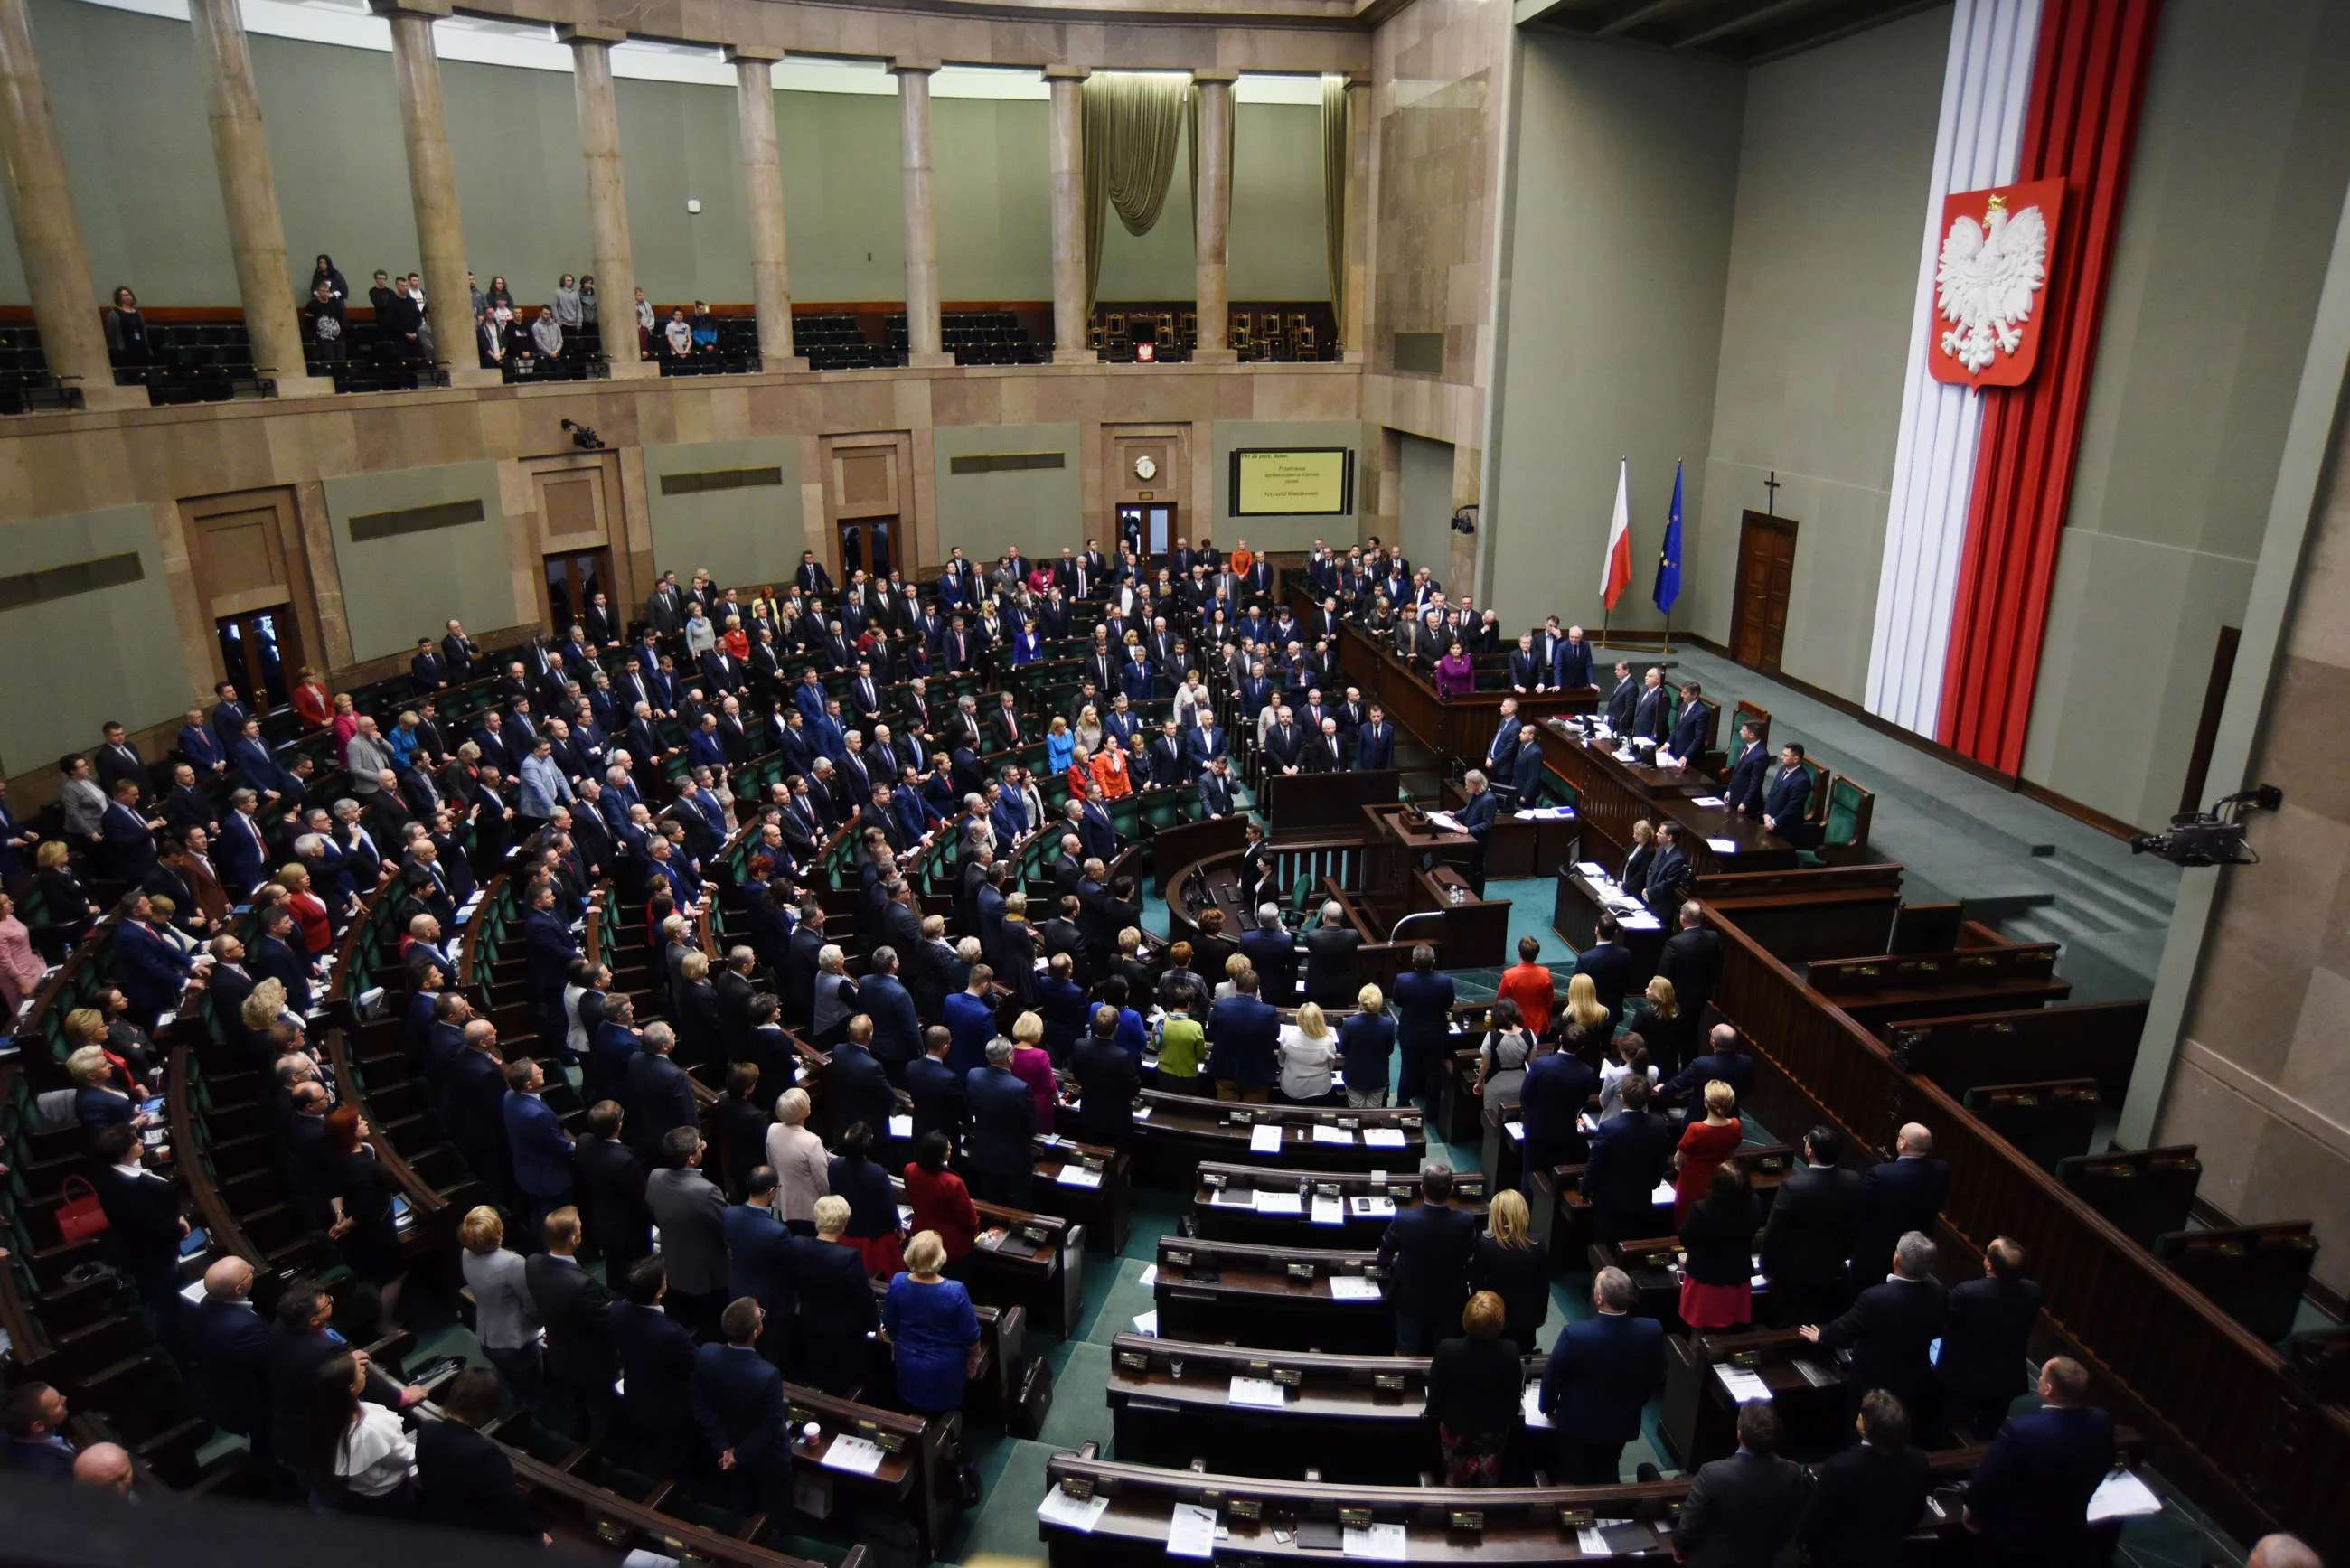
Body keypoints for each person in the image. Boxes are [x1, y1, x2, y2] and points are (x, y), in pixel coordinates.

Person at [1961, 1357, 2115, 1568]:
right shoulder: (2102, 1420)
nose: (2039, 1380)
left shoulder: (2022, 1431)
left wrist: (1972, 1511)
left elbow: (1988, 1480)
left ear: (2048, 1389)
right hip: (2069, 1526)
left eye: (2041, 1376)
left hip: (2015, 1534)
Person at [1800, 1231, 1949, 1429]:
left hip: (1872, 1382)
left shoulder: (1875, 1298)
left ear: (1896, 1258)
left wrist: (1822, 1334)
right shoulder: (1939, 1295)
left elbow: (1846, 1328)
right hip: (1914, 1379)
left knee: (1864, 1428)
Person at [1537, 1267, 1663, 1484]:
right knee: (1608, 1465)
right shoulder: (1651, 1330)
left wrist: (1547, 1408)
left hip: (1577, 1424)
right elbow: (1654, 1376)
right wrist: (1636, 1403)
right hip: (1622, 1421)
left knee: (1574, 1473)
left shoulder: (1575, 1334)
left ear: (1599, 1298)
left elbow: (1552, 1378)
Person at [1670, 1400, 1815, 1568]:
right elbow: (1791, 1524)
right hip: (1762, 1559)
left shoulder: (1712, 1474)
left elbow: (1688, 1530)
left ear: (1739, 1435)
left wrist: (1680, 1547)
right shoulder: (1792, 1472)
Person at [1800, 1389, 1933, 1568]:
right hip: (1890, 1552)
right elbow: (1916, 1513)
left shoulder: (1839, 1467)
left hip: (1840, 1557)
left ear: (1863, 1425)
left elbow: (1816, 1519)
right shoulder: (1918, 1460)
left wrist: (1803, 1544)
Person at [414, 1368, 548, 1542]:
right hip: (474, 1530)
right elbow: (510, 1502)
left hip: (436, 1515)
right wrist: (536, 1534)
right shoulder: (486, 1453)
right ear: (487, 1408)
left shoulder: (427, 1428)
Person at [692, 1298, 794, 1520]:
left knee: (741, 1501)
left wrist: (724, 1448)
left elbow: (701, 1405)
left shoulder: (706, 1353)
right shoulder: (767, 1375)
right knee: (776, 1509)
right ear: (756, 1331)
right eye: (760, 1316)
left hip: (725, 1445)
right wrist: (739, 1455)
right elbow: (770, 1425)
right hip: (765, 1457)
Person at [1936, 1235, 2041, 1440]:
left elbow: (1943, 1323)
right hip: (2005, 1379)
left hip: (1963, 1378)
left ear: (1989, 1265)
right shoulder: (2032, 1292)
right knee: (1988, 1434)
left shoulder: (1968, 1293)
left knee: (1948, 1428)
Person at [526, 1207, 616, 1441]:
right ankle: (600, 1460)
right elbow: (605, 1322)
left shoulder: (533, 1263)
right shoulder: (580, 1285)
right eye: (579, 1227)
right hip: (590, 1361)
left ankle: (576, 1444)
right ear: (574, 1239)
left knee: (573, 1406)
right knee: (600, 1413)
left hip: (558, 1351)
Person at [1759, 1125, 1861, 1329]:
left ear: (1809, 1150)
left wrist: (1766, 1265)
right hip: (1832, 1268)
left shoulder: (1793, 1186)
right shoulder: (1853, 1180)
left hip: (1792, 1274)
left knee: (1789, 1321)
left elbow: (1775, 1232)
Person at [608, 1258, 700, 1471]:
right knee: (670, 1457)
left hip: (634, 1393)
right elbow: (695, 1363)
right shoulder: (671, 1333)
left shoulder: (617, 1312)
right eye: (665, 1279)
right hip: (668, 1408)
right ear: (659, 1292)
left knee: (645, 1447)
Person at [1377, 1161, 1478, 1354]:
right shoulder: (1465, 1221)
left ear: (1422, 1189)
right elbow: (1470, 1251)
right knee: (1445, 1351)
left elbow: (1384, 1256)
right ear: (1451, 1189)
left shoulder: (1404, 1219)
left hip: (1410, 1299)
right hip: (1449, 1300)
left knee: (1406, 1350)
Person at [1425, 1291, 1523, 1486]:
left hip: (1455, 1428)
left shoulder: (1447, 1349)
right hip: (1493, 1430)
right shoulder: (1510, 1351)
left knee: (1454, 1476)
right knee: (1488, 1478)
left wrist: (1431, 1412)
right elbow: (1513, 1399)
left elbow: (1435, 1393)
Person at [785, 1196, 879, 1394]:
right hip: (843, 1333)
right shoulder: (848, 1258)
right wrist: (874, 1326)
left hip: (808, 1321)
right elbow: (864, 1297)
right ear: (843, 1224)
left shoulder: (796, 1244)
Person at [306, 1351, 416, 1516]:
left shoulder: (322, 1414)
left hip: (358, 1491)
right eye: (359, 1371)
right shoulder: (372, 1428)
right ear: (351, 1388)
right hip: (387, 1493)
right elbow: (403, 1458)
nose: (364, 1371)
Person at [884, 1231, 982, 1415]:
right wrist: (975, 1357)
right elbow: (971, 1335)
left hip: (907, 1361)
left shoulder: (898, 1282)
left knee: (911, 1411)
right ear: (940, 1257)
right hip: (945, 1369)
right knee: (944, 1417)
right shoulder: (955, 1291)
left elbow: (890, 1324)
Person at [646, 1127, 730, 1333]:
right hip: (707, 1271)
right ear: (691, 1158)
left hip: (673, 1262)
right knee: (713, 1323)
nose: (704, 1145)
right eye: (699, 1144)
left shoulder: (655, 1176)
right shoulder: (706, 1192)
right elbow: (727, 1226)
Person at [458, 1206, 541, 1408]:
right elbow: (530, 1303)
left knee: (513, 1386)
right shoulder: (512, 1263)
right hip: (516, 1343)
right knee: (533, 1394)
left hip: (487, 1336)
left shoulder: (466, 1253)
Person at [1850, 1122, 1949, 1282]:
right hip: (1917, 1249)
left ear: (1902, 1143)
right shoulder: (1941, 1170)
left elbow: (1860, 1209)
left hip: (1877, 1251)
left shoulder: (1880, 1175)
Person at [1583, 1075, 1676, 1243]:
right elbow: (1661, 1160)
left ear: (1621, 1097)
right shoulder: (1658, 1125)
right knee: (1636, 1239)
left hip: (1610, 1201)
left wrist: (1585, 1190)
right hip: (1642, 1196)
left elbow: (1595, 1165)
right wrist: (1653, 1182)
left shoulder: (1608, 1128)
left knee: (1607, 1243)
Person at [1678, 1162, 1759, 1331]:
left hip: (1706, 1278)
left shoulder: (1702, 1210)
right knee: (1733, 1327)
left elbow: (1685, 1238)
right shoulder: (1754, 1204)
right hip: (1738, 1274)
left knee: (1699, 1329)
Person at [827, 1121, 905, 1278]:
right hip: (874, 1238)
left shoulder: (834, 1165)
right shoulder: (877, 1173)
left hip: (847, 1230)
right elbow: (888, 1206)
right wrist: (900, 1229)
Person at [1472, 1190, 1549, 1349]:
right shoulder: (1537, 1244)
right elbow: (1543, 1286)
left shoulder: (1485, 1244)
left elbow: (1477, 1284)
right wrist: (1540, 1316)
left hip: (1493, 1317)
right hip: (1526, 1319)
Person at [904, 1132, 982, 1267]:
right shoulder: (952, 1182)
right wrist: (975, 1229)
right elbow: (968, 1218)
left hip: (920, 1234)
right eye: (948, 1148)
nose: (950, 1147)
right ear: (939, 1155)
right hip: (949, 1244)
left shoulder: (910, 1169)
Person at [1392, 944, 1455, 1109]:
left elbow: (1398, 1001)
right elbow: (1448, 1004)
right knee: (1433, 1073)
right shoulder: (1445, 981)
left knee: (1407, 1070)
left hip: (1410, 1034)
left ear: (1413, 961)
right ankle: (1432, 1111)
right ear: (1434, 961)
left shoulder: (1402, 980)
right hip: (1435, 1035)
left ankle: (1403, 1104)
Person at [1672, 1080, 1744, 1222]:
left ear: (1706, 1102)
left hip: (1692, 1182)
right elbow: (1731, 1152)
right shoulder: (1735, 1125)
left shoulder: (1696, 1129)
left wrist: (1680, 1168)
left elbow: (1678, 1159)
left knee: (1688, 1220)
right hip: (1722, 1179)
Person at [1207, 967, 1280, 1103]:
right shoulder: (1269, 1012)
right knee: (1253, 1117)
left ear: (1236, 987)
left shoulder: (1221, 1007)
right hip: (1257, 1074)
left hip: (1226, 1071)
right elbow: (1275, 1036)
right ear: (1257, 989)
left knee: (1227, 1115)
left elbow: (1211, 1032)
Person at [765, 1087, 830, 1230]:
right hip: (808, 1210)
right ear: (801, 1111)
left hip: (781, 1203)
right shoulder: (812, 1141)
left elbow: (772, 1166)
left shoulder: (772, 1129)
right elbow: (822, 1181)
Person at [1657, 901, 1721, 1022]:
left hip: (1678, 999)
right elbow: (1716, 967)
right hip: (1702, 996)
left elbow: (1663, 973)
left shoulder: (1674, 943)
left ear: (1682, 918)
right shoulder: (1713, 937)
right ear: (1701, 917)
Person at [2, 1383, 78, 1479]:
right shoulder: (55, 1470)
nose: (65, 1398)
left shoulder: (11, 1434)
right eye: (58, 1404)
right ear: (38, 1426)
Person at [1338, 983, 1396, 1108]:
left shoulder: (1349, 1024)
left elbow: (1343, 1050)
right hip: (1378, 1077)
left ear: (1360, 1000)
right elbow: (1389, 1050)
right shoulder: (1388, 1024)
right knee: (1372, 1117)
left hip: (1354, 1077)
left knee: (1357, 1113)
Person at [1477, 998, 1535, 1114]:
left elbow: (1485, 1065)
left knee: (1493, 1120)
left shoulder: (1491, 1036)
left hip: (1496, 1086)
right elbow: (1532, 1066)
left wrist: (1479, 1083)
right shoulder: (1530, 1034)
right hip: (1521, 1086)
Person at [1276, 1001, 1340, 1104]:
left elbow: (1281, 1061)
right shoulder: (1328, 1041)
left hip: (1291, 1088)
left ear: (1299, 1018)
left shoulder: (1288, 1036)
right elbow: (1330, 1066)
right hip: (1320, 1089)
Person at [1301, 901, 1361, 1006]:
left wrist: (1323, 927)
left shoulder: (1314, 936)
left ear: (1325, 917)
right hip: (1343, 990)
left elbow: (1307, 943)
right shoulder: (1353, 935)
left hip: (1317, 990)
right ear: (1341, 917)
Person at [1496, 936, 1554, 1036]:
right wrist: (1548, 1021)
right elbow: (1549, 1001)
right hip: (1539, 1025)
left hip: (1515, 1025)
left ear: (1519, 954)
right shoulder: (1545, 974)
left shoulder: (1509, 975)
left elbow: (1500, 1001)